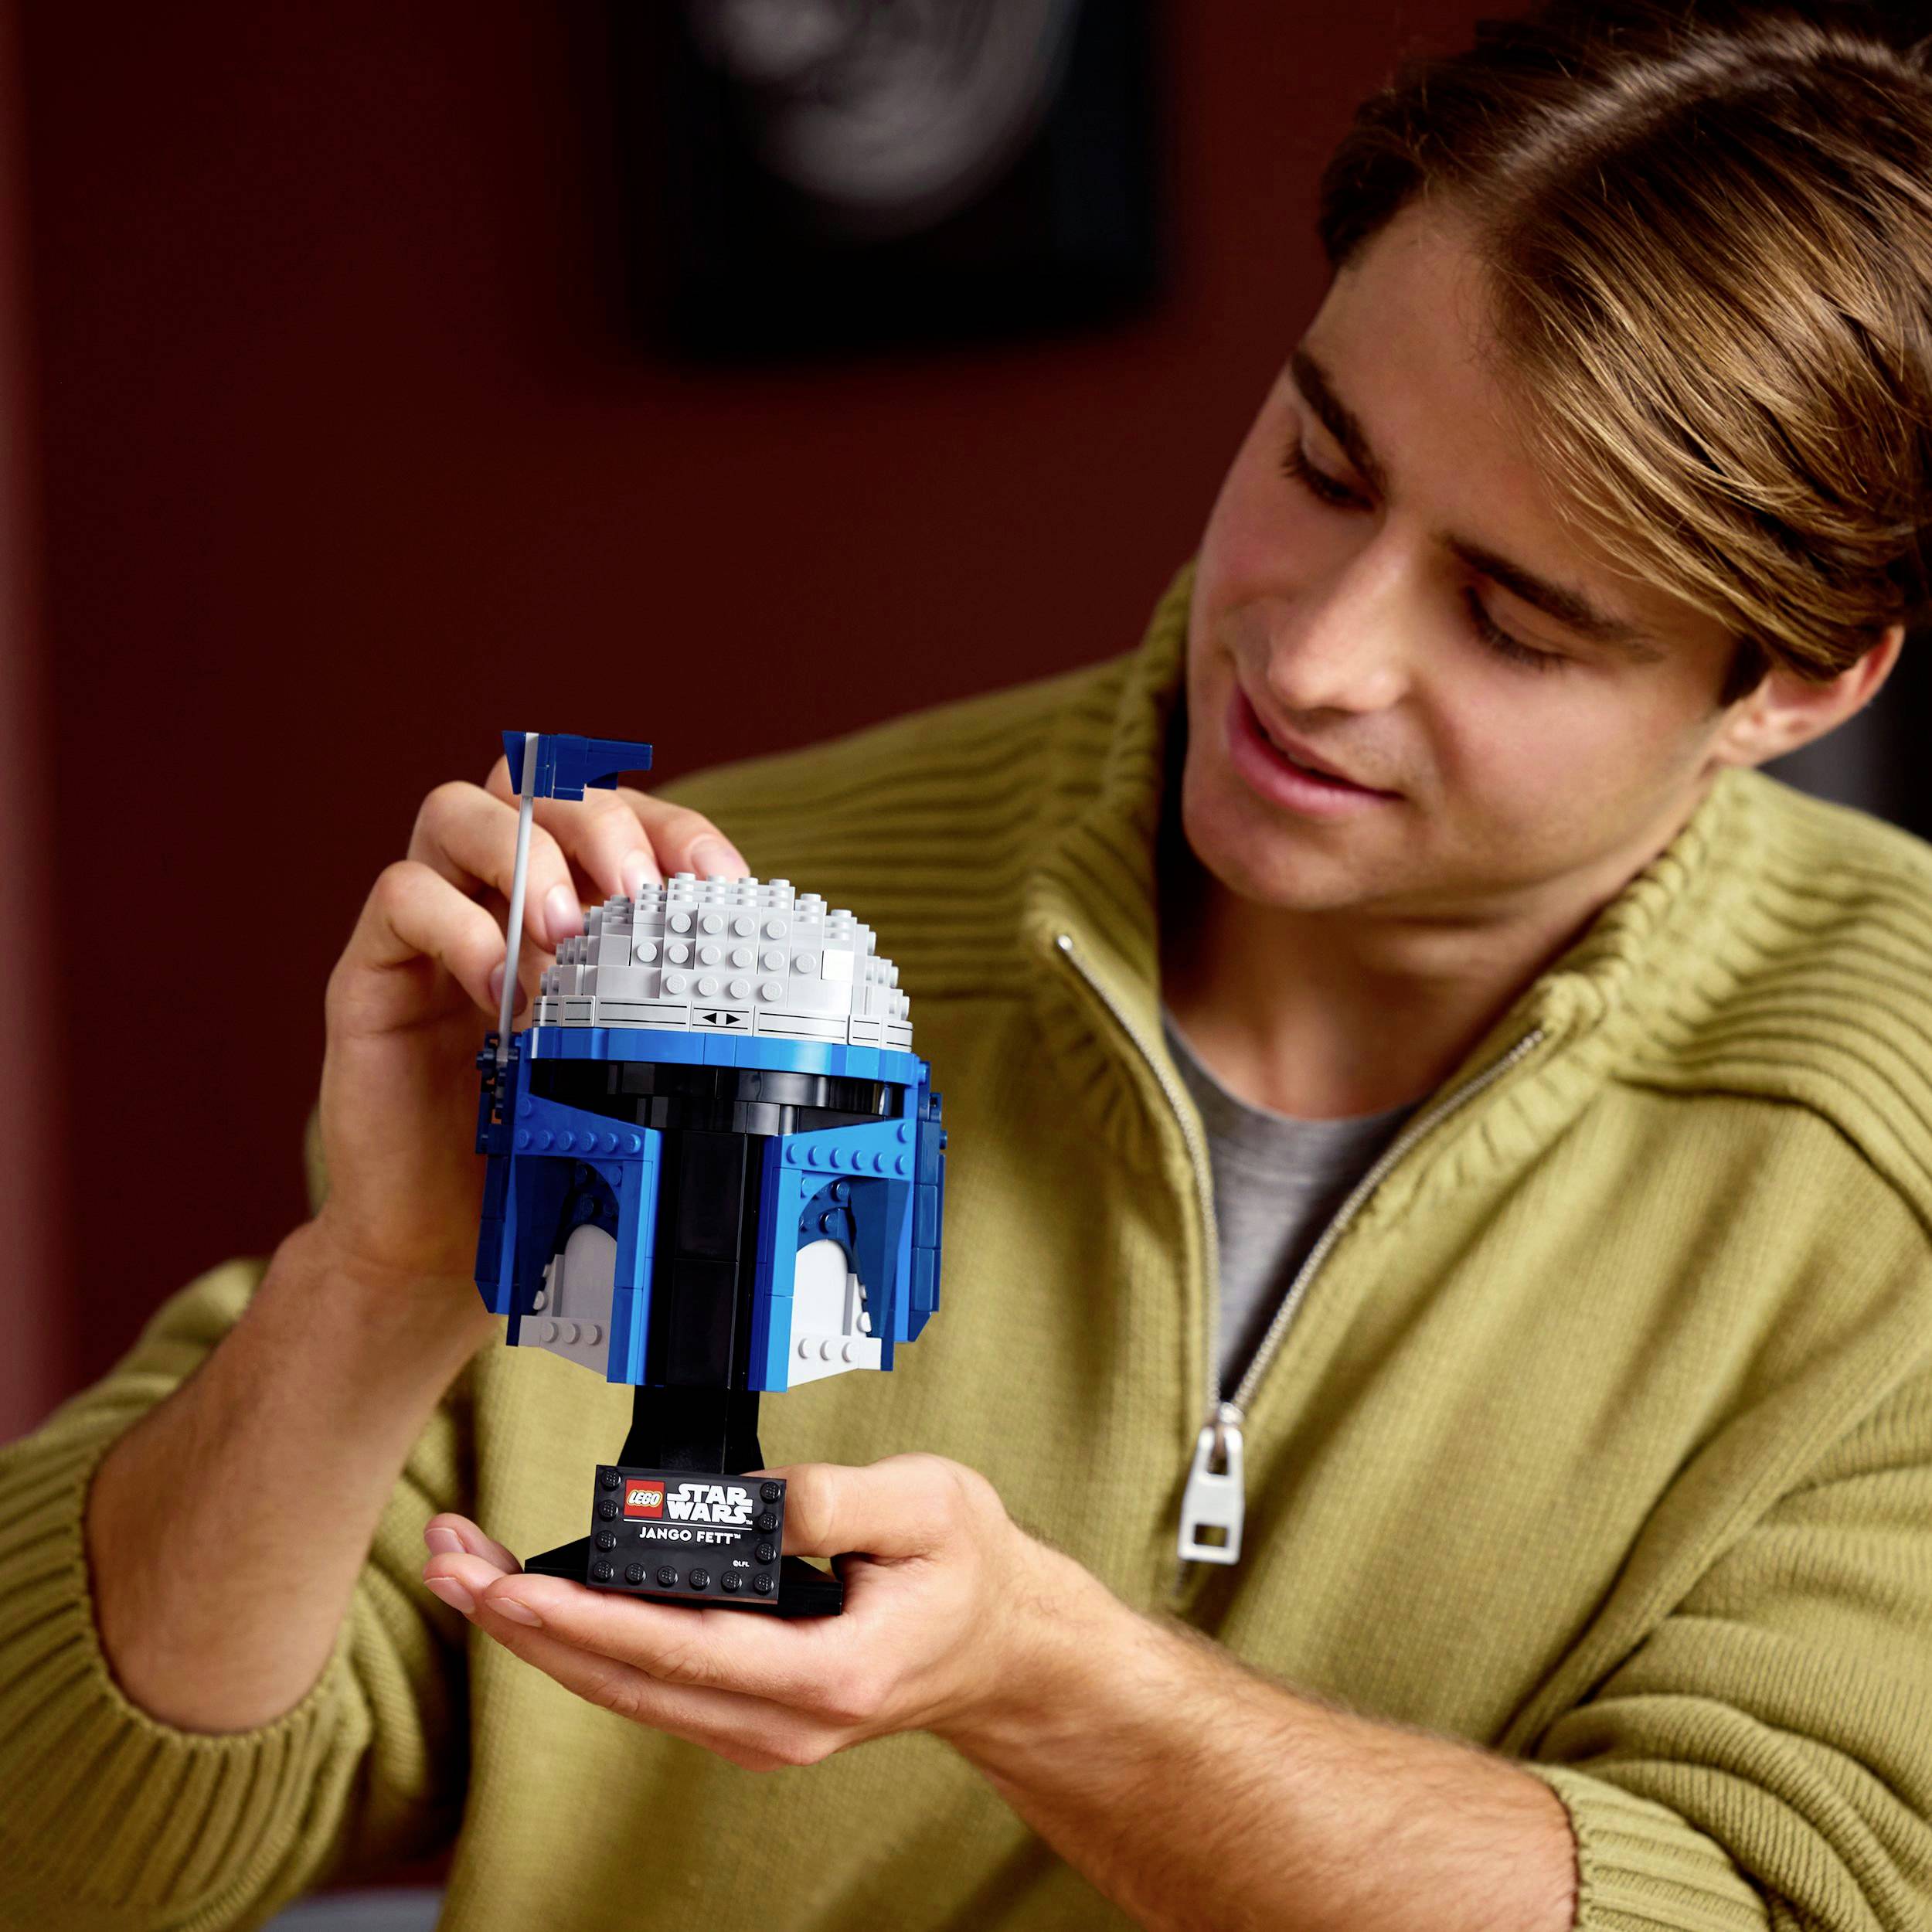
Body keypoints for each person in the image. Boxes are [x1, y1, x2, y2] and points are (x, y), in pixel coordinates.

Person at [5, 4, 1930, 1928]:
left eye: (1513, 618)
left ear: (1798, 681)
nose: (1318, 653)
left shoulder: (1891, 1138)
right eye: (1324, 467)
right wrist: (375, 1287)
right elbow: (61, 1842)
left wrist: (1054, 1688)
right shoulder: (724, 936)